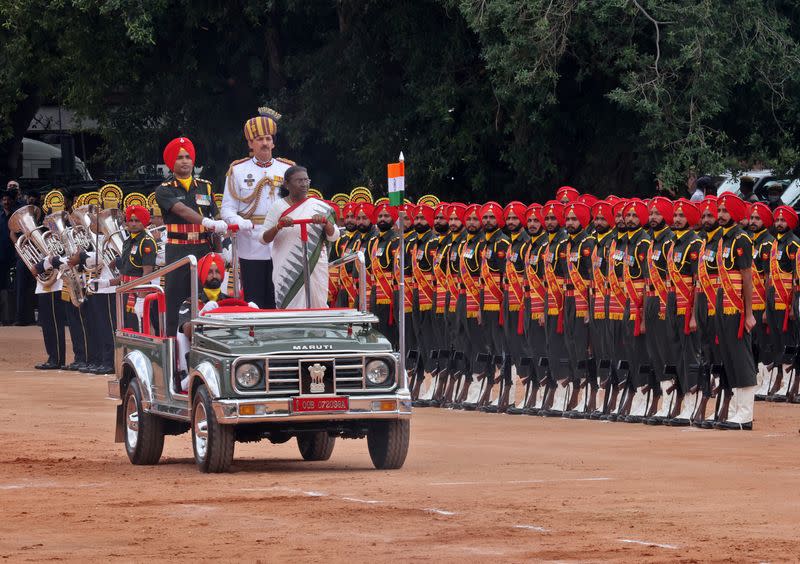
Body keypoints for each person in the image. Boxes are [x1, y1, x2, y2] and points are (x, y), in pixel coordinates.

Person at [221, 108, 294, 309]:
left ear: (273, 142)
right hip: (251, 242)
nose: (264, 143)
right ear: (250, 143)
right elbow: (227, 209)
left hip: (281, 241)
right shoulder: (237, 170)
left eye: (268, 138)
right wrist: (242, 224)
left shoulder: (287, 169)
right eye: (259, 139)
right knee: (254, 300)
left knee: (280, 297)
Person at [155, 137, 228, 336]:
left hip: (204, 249)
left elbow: (216, 216)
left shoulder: (206, 187)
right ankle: (173, 349)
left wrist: (219, 252)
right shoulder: (164, 189)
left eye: (188, 156)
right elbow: (181, 210)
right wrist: (205, 222)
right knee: (175, 299)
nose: (185, 161)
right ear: (171, 163)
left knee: (204, 297)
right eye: (179, 158)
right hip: (178, 251)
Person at [261, 166, 339, 308]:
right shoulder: (278, 207)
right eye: (299, 181)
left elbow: (334, 236)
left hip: (315, 266)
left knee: (318, 309)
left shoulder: (319, 207)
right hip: (287, 269)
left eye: (306, 180)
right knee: (291, 311)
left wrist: (325, 221)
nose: (304, 184)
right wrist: (279, 226)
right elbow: (263, 238)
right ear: (287, 184)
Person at [0, 190, 16, 324]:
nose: (6, 202)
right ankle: (3, 318)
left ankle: (10, 317)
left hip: (13, 257)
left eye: (8, 200)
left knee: (11, 287)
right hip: (1, 257)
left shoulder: (16, 216)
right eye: (4, 200)